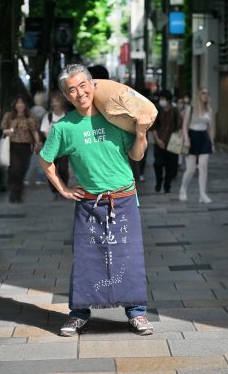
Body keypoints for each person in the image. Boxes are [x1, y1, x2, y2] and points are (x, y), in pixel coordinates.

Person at [38, 64, 153, 337]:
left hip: (124, 199)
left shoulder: (113, 116)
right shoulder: (64, 128)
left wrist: (141, 133)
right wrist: (63, 189)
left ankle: (136, 313)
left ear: (92, 85)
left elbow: (136, 156)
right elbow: (45, 160)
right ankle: (79, 313)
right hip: (89, 204)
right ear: (67, 96)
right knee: (87, 259)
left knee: (129, 257)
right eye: (72, 90)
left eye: (82, 86)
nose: (79, 93)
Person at [2, 94, 42, 203]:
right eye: (18, 103)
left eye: (22, 103)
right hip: (13, 146)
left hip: (25, 146)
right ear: (15, 105)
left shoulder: (30, 116)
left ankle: (18, 192)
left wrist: (38, 143)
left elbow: (34, 131)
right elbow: (3, 130)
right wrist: (9, 131)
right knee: (15, 170)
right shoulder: (9, 116)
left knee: (22, 170)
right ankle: (13, 193)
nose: (20, 105)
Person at [178, 88, 214, 203]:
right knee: (191, 169)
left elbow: (209, 128)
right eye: (203, 93)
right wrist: (187, 139)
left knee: (203, 167)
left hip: (204, 138)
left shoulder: (209, 109)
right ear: (199, 95)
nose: (206, 95)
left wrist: (212, 143)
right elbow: (184, 125)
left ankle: (203, 194)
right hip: (192, 137)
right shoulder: (191, 108)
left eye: (207, 93)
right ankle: (183, 189)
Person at [40, 90, 69, 198]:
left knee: (63, 169)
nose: (55, 104)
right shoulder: (48, 117)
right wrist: (52, 143)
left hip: (64, 148)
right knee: (51, 169)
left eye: (57, 101)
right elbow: (45, 131)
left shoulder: (66, 116)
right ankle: (54, 191)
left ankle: (63, 189)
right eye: (53, 101)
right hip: (51, 148)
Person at [152, 89, 182, 193]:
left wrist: (179, 139)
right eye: (160, 99)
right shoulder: (157, 110)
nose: (161, 101)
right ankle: (159, 181)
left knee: (171, 166)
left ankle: (167, 185)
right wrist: (158, 140)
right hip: (159, 141)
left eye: (163, 99)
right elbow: (154, 127)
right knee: (157, 164)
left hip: (172, 143)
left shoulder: (175, 110)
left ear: (169, 100)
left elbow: (180, 126)